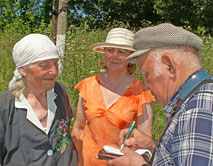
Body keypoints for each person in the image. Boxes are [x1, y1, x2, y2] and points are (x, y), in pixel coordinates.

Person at [107, 23, 213, 166]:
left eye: (146, 74)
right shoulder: (195, 98)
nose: (145, 85)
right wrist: (152, 145)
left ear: (169, 65)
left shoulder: (196, 110)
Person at [71, 28, 155, 166]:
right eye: (110, 50)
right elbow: (78, 129)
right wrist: (77, 161)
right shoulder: (88, 85)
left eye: (121, 52)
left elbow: (145, 139)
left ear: (131, 57)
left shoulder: (141, 92)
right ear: (104, 53)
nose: (114, 56)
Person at [0, 34, 78, 166]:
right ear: (23, 70)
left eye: (55, 64)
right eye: (44, 66)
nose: (54, 71)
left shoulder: (59, 92)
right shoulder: (5, 106)